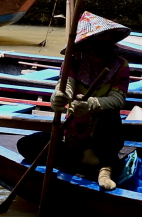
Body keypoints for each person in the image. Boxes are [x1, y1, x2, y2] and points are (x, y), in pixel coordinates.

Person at [20, 12, 132, 191]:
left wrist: (91, 105)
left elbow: (118, 100)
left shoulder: (120, 65)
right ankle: (83, 159)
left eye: (109, 37)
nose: (107, 41)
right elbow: (65, 87)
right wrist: (59, 98)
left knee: (109, 117)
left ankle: (105, 168)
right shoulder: (73, 62)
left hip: (102, 136)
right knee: (27, 144)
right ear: (89, 41)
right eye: (101, 37)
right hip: (74, 136)